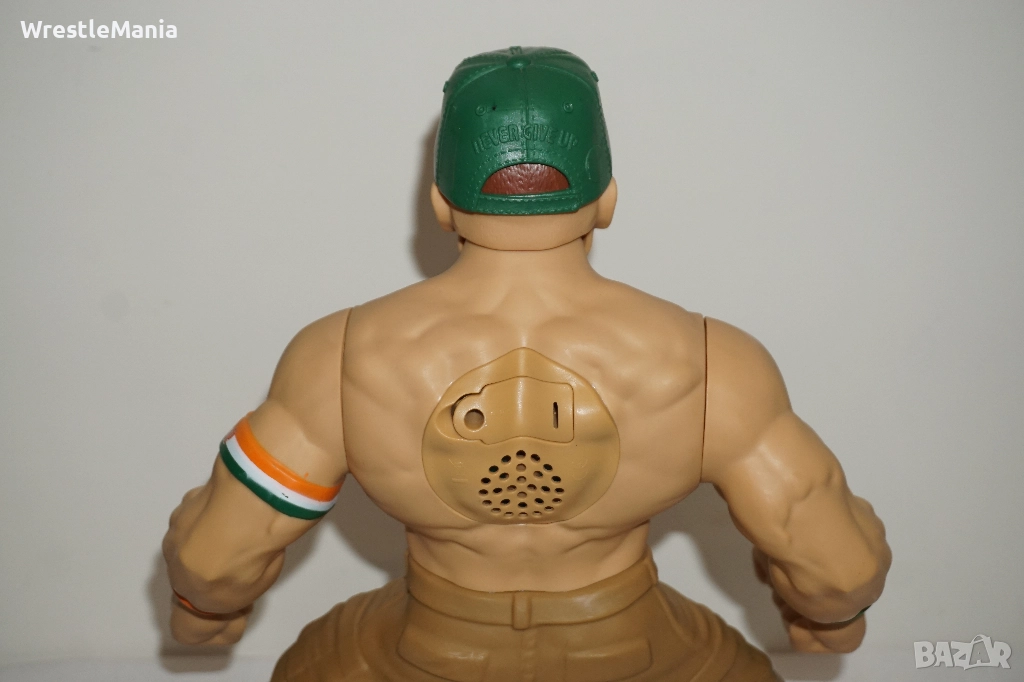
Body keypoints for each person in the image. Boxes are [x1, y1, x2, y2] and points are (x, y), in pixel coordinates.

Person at [163, 47, 891, 682]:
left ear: (441, 203)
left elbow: (215, 558)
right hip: (640, 655)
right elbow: (838, 570)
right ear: (607, 199)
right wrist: (829, 625)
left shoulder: (342, 355)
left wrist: (204, 614)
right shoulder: (709, 362)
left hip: (420, 653)